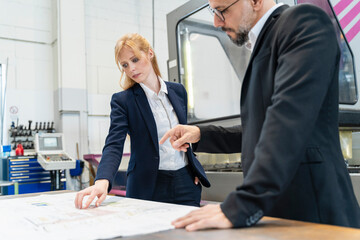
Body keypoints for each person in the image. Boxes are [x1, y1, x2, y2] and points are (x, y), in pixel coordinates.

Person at [160, 0, 360, 231]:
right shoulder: (262, 43)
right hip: (279, 216)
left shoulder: (303, 23)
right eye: (213, 12)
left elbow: (287, 122)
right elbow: (262, 126)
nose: (216, 22)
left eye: (222, 11)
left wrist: (241, 205)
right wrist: (201, 134)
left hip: (315, 214)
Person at [75, 33, 210, 209]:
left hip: (185, 183)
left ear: (150, 54)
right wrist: (102, 181)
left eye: (135, 59)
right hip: (148, 187)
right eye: (125, 65)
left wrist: (192, 166)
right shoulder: (123, 101)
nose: (131, 68)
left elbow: (186, 135)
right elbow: (114, 144)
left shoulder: (178, 91)